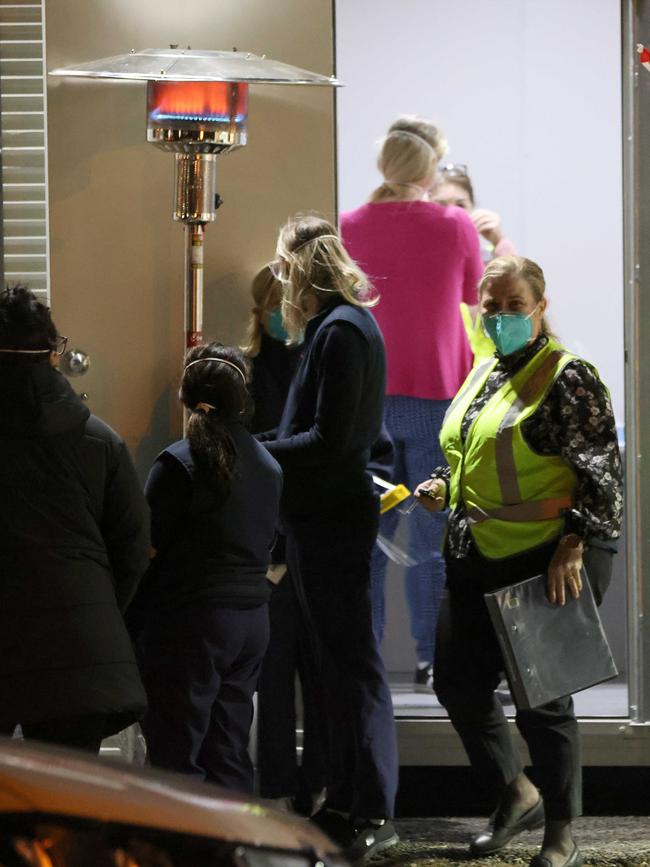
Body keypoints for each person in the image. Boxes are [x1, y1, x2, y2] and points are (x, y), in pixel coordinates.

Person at [415, 255, 623, 867]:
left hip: (550, 554)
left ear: (540, 305)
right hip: (477, 549)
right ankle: (516, 793)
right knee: (457, 683)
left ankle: (561, 833)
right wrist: (440, 486)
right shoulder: (485, 371)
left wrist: (575, 544)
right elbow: (468, 456)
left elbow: (603, 474)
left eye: (514, 305)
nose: (502, 316)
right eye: (493, 306)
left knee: (542, 699)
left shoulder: (568, 376)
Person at [261, 215, 399, 863]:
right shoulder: (336, 329)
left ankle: (371, 807)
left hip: (333, 526)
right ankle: (345, 802)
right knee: (335, 674)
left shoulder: (340, 332)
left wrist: (255, 451)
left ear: (301, 267)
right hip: (320, 523)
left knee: (353, 672)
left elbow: (332, 442)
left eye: (284, 266)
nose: (280, 278)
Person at [340, 116, 484, 691]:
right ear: (429, 167)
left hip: (366, 397)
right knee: (432, 540)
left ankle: (367, 656)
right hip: (437, 395)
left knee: (369, 538)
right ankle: (431, 658)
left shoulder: (349, 224)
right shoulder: (455, 225)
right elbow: (473, 296)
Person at [0, 285, 149, 752]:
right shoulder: (99, 441)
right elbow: (132, 544)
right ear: (49, 354)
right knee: (65, 811)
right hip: (79, 648)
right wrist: (98, 607)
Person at [135, 343, 282, 792]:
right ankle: (231, 848)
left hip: (191, 621)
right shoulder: (269, 465)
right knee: (230, 748)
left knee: (177, 752)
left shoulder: (178, 463)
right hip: (252, 622)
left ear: (185, 395)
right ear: (244, 399)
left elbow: (147, 546)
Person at [243, 264, 325, 813]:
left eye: (290, 302)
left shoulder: (323, 366)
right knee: (271, 680)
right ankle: (274, 788)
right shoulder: (245, 375)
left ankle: (317, 785)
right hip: (267, 551)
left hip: (316, 542)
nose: (282, 314)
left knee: (319, 678)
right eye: (273, 304)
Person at [433, 162, 517, 364]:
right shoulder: (419, 264)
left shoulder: (492, 261)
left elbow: (527, 306)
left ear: (473, 211)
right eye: (440, 205)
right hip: (442, 385)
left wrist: (499, 240)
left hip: (488, 384)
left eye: (461, 206)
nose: (453, 215)